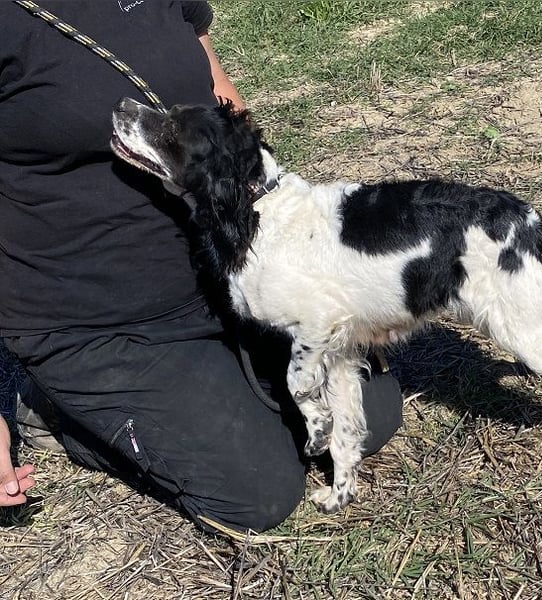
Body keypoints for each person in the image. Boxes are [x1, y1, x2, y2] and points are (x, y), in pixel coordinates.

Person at [0, 2, 403, 530]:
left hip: (224, 271)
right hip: (96, 320)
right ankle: (58, 408)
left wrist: (302, 241)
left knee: (369, 417)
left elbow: (220, 99)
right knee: (260, 491)